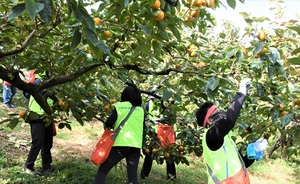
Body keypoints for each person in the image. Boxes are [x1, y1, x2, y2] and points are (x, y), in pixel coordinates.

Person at [195, 78, 268, 184]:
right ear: (210, 120)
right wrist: (241, 94)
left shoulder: (226, 138)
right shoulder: (210, 137)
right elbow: (229, 120)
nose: (221, 112)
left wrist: (254, 151)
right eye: (217, 111)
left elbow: (241, 164)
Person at [94, 85, 145, 184]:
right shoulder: (141, 110)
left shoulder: (118, 106)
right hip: (135, 146)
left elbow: (109, 123)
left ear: (124, 95)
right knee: (133, 177)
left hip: (120, 145)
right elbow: (142, 127)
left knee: (102, 171)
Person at [23, 73, 57, 175]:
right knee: (38, 142)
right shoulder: (38, 82)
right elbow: (27, 93)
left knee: (47, 143)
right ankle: (28, 166)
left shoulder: (55, 85)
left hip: (48, 118)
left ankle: (46, 167)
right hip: (36, 116)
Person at [140, 96, 176, 180]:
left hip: (166, 132)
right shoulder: (148, 105)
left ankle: (171, 177)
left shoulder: (165, 104)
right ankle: (143, 176)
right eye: (151, 98)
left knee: (168, 154)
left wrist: (174, 133)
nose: (152, 99)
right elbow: (145, 118)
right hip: (153, 133)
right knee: (150, 154)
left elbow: (171, 119)